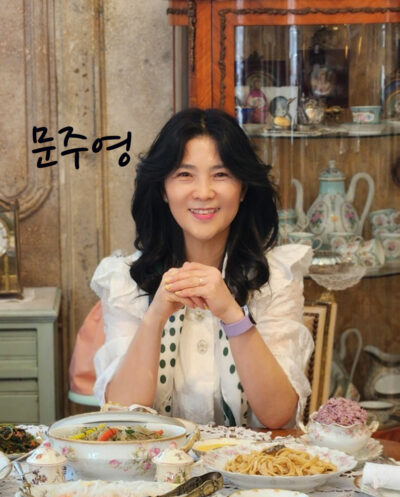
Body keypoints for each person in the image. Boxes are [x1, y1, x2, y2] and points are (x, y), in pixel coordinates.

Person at [91, 108, 314, 429]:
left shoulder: (275, 278)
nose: (204, 192)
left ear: (243, 188)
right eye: (185, 175)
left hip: (248, 462)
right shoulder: (125, 280)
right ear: (163, 189)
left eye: (221, 174)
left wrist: (233, 315)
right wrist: (155, 316)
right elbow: (120, 418)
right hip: (156, 463)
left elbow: (278, 415)